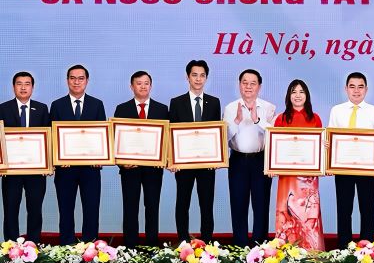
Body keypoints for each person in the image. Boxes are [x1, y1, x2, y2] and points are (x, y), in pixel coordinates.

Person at [49, 64, 107, 245]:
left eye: (80, 78)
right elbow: (52, 136)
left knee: (91, 209)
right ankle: (66, 247)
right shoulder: (57, 105)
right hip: (65, 169)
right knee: (65, 209)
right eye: (73, 78)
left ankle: (90, 248)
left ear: (87, 81)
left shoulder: (97, 104)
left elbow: (102, 135)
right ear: (67, 81)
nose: (76, 82)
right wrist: (58, 159)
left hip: (91, 169)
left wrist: (101, 157)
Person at [113, 70, 169, 248]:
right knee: (130, 208)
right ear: (131, 86)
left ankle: (152, 246)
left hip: (154, 170)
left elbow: (166, 140)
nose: (143, 86)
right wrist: (121, 161)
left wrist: (166, 159)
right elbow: (115, 139)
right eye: (139, 83)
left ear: (150, 86)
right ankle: (130, 247)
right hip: (130, 169)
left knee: (152, 207)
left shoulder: (162, 109)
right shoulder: (122, 109)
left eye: (146, 83)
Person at [327, 72, 374, 246]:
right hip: (342, 169)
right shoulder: (336, 110)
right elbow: (330, 140)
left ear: (366, 89)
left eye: (360, 87)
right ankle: (344, 248)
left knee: (367, 210)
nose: (356, 91)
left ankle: (367, 248)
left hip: (367, 169)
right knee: (344, 210)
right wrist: (329, 164)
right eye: (352, 86)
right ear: (346, 89)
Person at [169, 60, 221, 242]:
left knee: (206, 205)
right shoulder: (176, 103)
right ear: (187, 77)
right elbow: (171, 133)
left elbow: (216, 133)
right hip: (183, 164)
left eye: (202, 75)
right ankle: (183, 242)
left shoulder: (214, 103)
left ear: (206, 77)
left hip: (207, 164)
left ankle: (206, 243)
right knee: (182, 204)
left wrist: (217, 158)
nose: (198, 79)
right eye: (194, 75)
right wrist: (172, 160)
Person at [223, 69, 276, 246]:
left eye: (253, 83)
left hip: (261, 160)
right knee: (238, 204)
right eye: (245, 82)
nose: (248, 86)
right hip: (238, 160)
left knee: (261, 205)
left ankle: (260, 247)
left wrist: (256, 119)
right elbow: (224, 139)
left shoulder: (269, 108)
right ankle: (240, 246)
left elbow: (273, 136)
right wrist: (236, 121)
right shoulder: (230, 108)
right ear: (239, 85)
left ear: (259, 86)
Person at [273, 79, 324, 251]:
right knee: (287, 215)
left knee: (308, 215)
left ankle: (312, 253)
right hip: (287, 178)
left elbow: (319, 147)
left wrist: (324, 149)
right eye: (294, 91)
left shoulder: (315, 118)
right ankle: (286, 253)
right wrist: (272, 166)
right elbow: (275, 147)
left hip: (308, 179)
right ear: (288, 96)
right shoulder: (280, 118)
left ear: (307, 95)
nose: (297, 95)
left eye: (301, 91)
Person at [0, 72, 50, 242]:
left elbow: (48, 138)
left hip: (36, 172)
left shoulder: (42, 108)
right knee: (10, 210)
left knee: (35, 210)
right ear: (13, 87)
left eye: (27, 84)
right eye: (19, 84)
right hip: (11, 172)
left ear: (32, 87)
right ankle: (10, 249)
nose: (23, 87)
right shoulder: (2, 108)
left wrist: (48, 164)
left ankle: (33, 246)